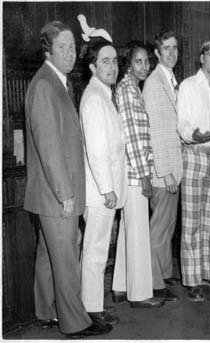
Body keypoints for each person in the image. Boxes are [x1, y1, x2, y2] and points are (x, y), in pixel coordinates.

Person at [24, 20, 111, 338]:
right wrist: (66, 194)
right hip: (56, 195)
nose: (70, 53)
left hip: (48, 194)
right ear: (47, 50)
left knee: (49, 255)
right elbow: (49, 148)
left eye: (73, 47)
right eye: (62, 47)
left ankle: (46, 312)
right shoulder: (47, 86)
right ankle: (76, 323)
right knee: (66, 260)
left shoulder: (55, 82)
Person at [79, 22, 127, 326]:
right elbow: (96, 151)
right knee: (95, 253)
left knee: (97, 252)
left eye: (114, 61)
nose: (112, 67)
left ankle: (93, 306)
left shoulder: (103, 94)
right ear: (93, 67)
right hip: (100, 193)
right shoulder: (95, 99)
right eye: (105, 62)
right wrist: (108, 189)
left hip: (104, 191)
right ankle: (90, 312)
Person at [112, 41, 165, 308]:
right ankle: (140, 294)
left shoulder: (131, 88)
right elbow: (132, 137)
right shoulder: (127, 91)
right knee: (138, 232)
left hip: (134, 171)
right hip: (135, 173)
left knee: (128, 230)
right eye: (138, 62)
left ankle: (121, 286)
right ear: (128, 64)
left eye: (146, 61)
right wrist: (145, 175)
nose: (144, 67)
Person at [177, 40, 210, 302]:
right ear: (201, 57)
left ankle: (208, 272)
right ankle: (192, 278)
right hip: (194, 155)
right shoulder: (187, 86)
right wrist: (192, 134)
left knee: (209, 221)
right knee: (191, 222)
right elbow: (182, 122)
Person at [142, 30, 183, 302]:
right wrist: (165, 171)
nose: (171, 52)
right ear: (157, 52)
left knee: (167, 227)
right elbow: (155, 131)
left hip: (173, 168)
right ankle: (156, 284)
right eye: (166, 49)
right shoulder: (155, 82)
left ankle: (165, 275)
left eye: (174, 48)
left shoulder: (169, 79)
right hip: (163, 172)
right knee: (159, 230)